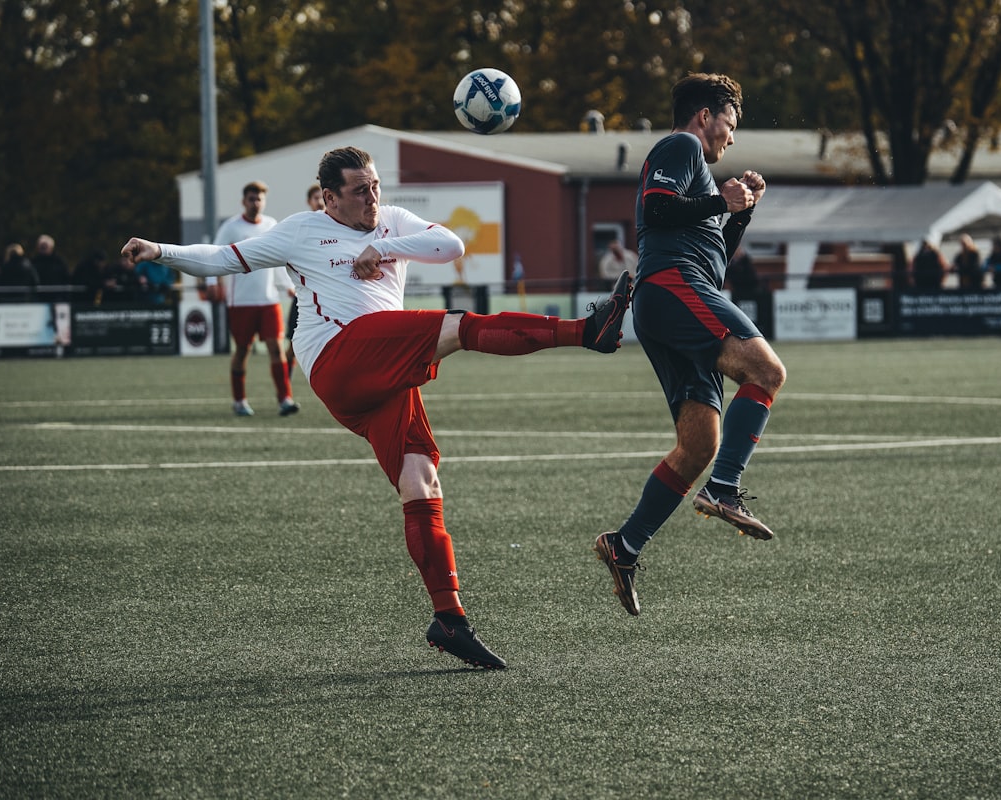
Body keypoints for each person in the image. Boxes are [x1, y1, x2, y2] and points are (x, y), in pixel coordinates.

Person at [120, 145, 633, 669]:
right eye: (359, 190)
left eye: (375, 186)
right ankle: (588, 331)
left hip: (381, 370)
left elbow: (451, 244)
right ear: (329, 198)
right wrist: (159, 250)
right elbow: (222, 258)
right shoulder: (301, 230)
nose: (372, 198)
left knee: (421, 480)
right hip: (338, 356)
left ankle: (449, 620)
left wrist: (386, 248)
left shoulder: (392, 221)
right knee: (457, 325)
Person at [593, 73, 785, 617]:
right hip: (673, 288)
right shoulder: (680, 145)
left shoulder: (699, 176)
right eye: (730, 123)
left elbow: (715, 259)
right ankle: (725, 490)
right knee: (766, 372)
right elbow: (655, 211)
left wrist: (739, 212)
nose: (731, 137)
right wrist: (718, 199)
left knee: (699, 445)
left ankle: (624, 546)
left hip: (678, 294)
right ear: (705, 116)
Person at [210, 181, 299, 417]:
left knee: (276, 348)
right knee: (242, 350)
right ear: (244, 201)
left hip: (268, 301)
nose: (255, 203)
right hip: (241, 302)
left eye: (259, 198)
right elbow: (213, 254)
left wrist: (288, 286)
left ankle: (285, 399)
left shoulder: (271, 225)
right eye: (251, 198)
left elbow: (280, 259)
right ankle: (239, 400)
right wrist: (211, 283)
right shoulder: (231, 227)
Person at [285, 184, 325, 381]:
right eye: (315, 198)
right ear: (309, 202)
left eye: (321, 197)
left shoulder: (341, 226)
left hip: (330, 294)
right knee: (293, 342)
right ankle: (285, 388)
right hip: (305, 294)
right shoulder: (302, 227)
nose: (319, 202)